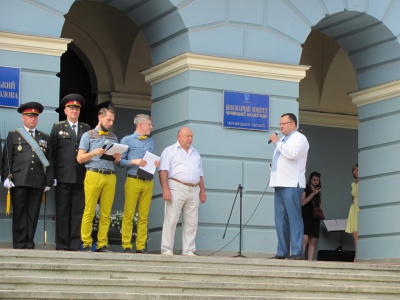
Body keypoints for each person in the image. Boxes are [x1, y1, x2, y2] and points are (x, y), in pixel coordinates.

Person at [1, 102, 54, 249]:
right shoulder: (14, 135)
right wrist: (6, 177)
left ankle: (29, 241)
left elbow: (49, 160)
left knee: (33, 213)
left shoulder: (44, 137)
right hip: (18, 179)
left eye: (35, 117)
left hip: (37, 180)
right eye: (29, 116)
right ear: (22, 117)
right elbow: (7, 158)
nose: (33, 119)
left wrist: (49, 181)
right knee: (19, 212)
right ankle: (19, 242)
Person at [77, 108, 122, 252]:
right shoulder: (88, 135)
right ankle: (86, 242)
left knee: (106, 212)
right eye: (108, 120)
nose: (110, 123)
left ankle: (102, 243)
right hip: (93, 173)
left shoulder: (113, 137)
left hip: (110, 174)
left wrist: (117, 158)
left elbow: (114, 160)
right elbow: (79, 158)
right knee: (89, 210)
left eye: (112, 120)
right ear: (100, 118)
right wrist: (93, 153)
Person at [50, 94, 90, 251]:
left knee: (77, 213)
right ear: (65, 110)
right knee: (63, 211)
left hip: (81, 177)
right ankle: (63, 244)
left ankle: (74, 244)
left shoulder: (86, 129)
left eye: (77, 108)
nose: (74, 111)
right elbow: (52, 154)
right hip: (63, 176)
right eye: (71, 108)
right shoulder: (58, 127)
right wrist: (52, 176)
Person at [159, 127, 206, 256]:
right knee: (171, 219)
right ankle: (167, 249)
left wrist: (202, 190)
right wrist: (165, 189)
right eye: (187, 136)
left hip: (194, 188)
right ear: (179, 137)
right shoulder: (170, 151)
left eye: (191, 136)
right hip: (176, 186)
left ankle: (189, 250)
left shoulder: (195, 153)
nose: (190, 139)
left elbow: (200, 174)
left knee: (192, 221)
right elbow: (163, 171)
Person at [268, 113, 309, 260]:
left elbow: (292, 154)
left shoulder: (300, 138)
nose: (281, 126)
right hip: (279, 182)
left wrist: (277, 143)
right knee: (280, 220)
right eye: (280, 124)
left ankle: (297, 252)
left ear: (292, 124)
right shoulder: (284, 140)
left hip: (292, 183)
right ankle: (282, 252)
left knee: (294, 218)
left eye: (283, 123)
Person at [118, 114, 159, 253]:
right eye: (149, 124)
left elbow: (152, 159)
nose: (151, 127)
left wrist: (156, 163)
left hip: (148, 180)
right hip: (133, 179)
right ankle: (127, 245)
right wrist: (133, 162)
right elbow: (119, 161)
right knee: (129, 213)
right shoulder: (126, 140)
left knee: (144, 215)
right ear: (140, 125)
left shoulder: (151, 142)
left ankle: (141, 246)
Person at [301, 171, 322, 260]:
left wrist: (320, 211)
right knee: (304, 239)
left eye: (317, 180)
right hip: (306, 216)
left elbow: (320, 204)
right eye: (314, 179)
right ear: (310, 180)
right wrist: (313, 193)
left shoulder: (319, 191)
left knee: (313, 241)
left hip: (315, 217)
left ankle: (310, 262)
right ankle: (300, 260)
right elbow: (302, 203)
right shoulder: (306, 188)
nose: (315, 181)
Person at [345, 163, 359, 262]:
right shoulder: (352, 184)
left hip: (361, 208)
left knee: (359, 234)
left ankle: (358, 257)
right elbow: (352, 198)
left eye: (357, 169)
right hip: (354, 208)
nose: (355, 171)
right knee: (355, 233)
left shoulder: (365, 182)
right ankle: (357, 256)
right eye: (354, 170)